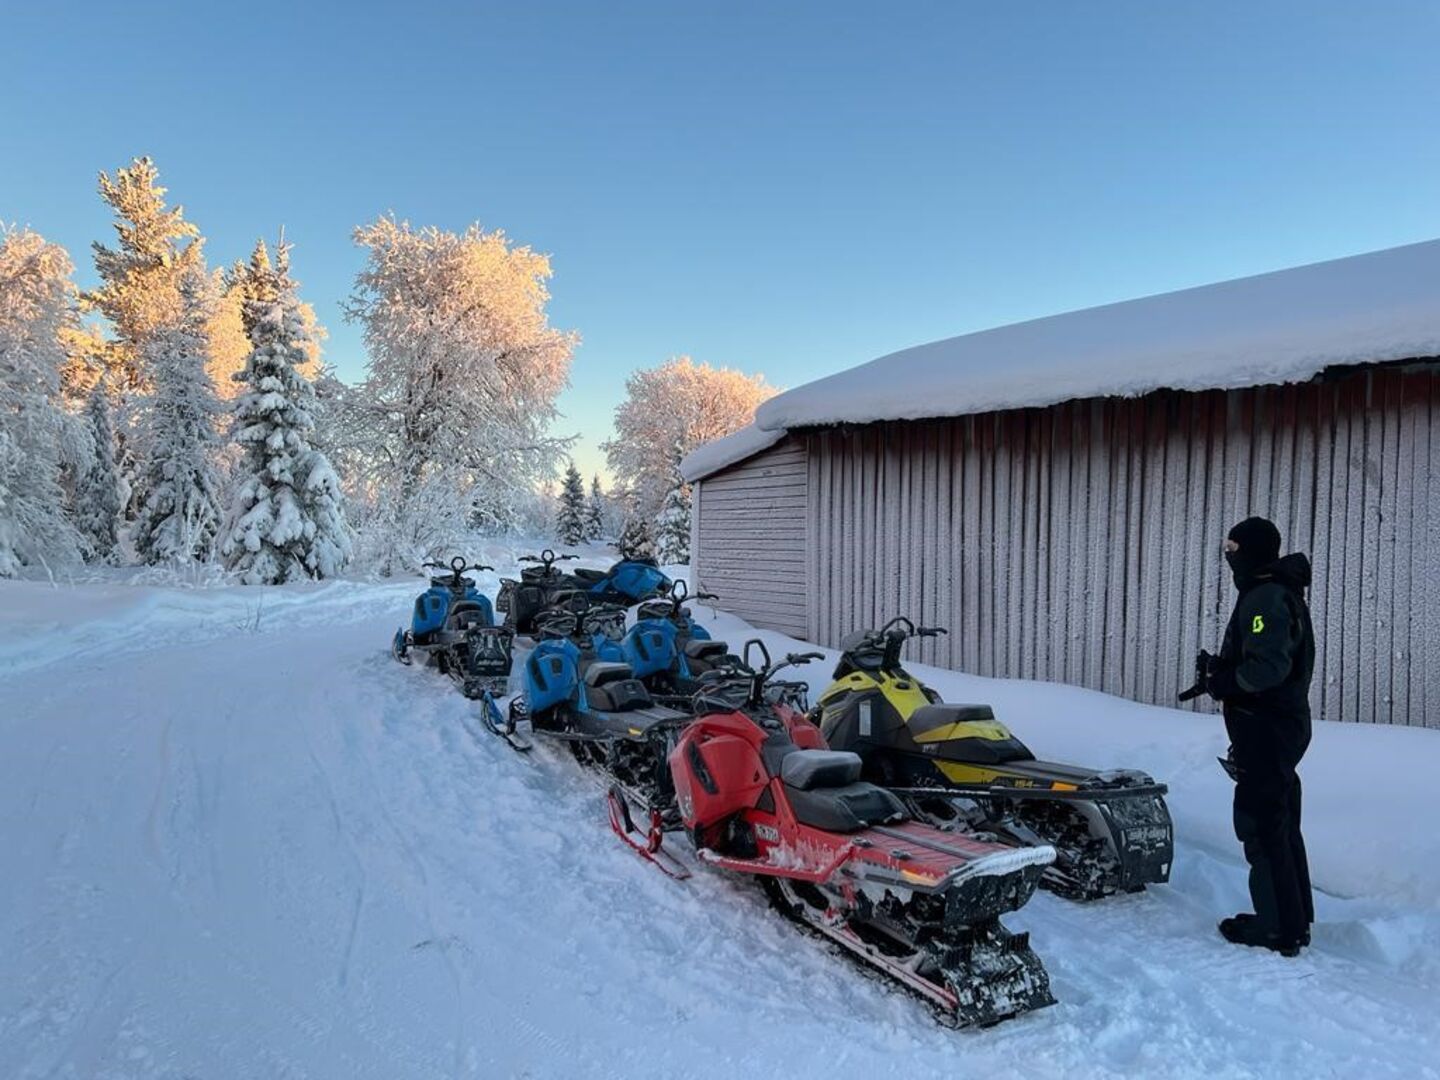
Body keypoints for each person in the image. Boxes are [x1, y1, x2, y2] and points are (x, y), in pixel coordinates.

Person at [1205, 516, 1316, 956]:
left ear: (1251, 551)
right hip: (1276, 725)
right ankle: (1293, 918)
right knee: (1281, 821)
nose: (1228, 555)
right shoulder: (1272, 591)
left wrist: (1224, 682)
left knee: (1262, 823)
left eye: (1233, 547)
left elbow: (1268, 669)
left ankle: (1276, 928)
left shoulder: (1266, 597)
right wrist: (1221, 670)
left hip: (1267, 727)